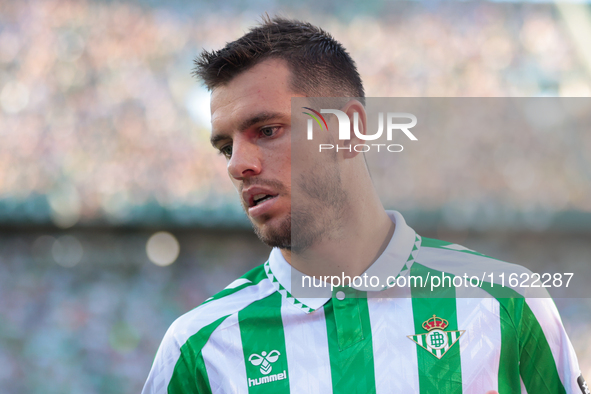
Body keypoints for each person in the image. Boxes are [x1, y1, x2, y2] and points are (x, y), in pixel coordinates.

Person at [142, 16, 586, 394]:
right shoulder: (198, 347)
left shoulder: (504, 299)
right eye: (225, 147)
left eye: (267, 130)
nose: (238, 164)